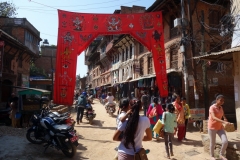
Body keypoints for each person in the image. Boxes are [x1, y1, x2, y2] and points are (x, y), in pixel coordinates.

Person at [208, 95, 229, 160]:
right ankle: (212, 156)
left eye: (223, 101)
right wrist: (223, 121)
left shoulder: (221, 107)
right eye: (221, 100)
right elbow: (214, 117)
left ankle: (221, 155)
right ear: (217, 100)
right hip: (212, 127)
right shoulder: (212, 107)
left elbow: (222, 114)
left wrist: (225, 118)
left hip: (220, 127)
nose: (222, 102)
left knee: (225, 141)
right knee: (213, 142)